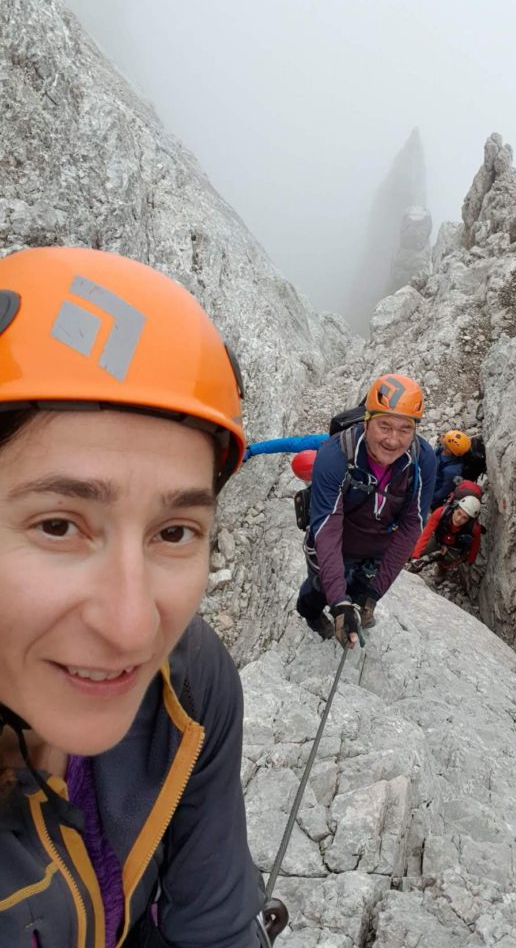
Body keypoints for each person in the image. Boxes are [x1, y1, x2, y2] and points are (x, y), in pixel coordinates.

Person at [0, 247, 264, 948]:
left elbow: (216, 925)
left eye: (175, 532)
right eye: (59, 525)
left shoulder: (191, 681)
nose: (131, 626)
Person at [295, 374, 436, 647]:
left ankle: (353, 601)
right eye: (384, 426)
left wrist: (374, 593)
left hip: (374, 553)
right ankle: (309, 612)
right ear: (367, 420)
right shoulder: (336, 454)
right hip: (334, 543)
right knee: (320, 589)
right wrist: (338, 602)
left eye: (405, 429)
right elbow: (327, 526)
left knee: (359, 590)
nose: (393, 440)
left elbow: (412, 524)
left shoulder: (422, 459)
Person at [410, 495, 482, 575]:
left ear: (469, 520)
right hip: (438, 539)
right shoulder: (441, 513)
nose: (458, 519)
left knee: (449, 559)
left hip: (454, 547)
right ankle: (412, 561)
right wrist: (415, 556)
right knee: (421, 549)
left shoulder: (474, 528)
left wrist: (469, 560)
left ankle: (442, 568)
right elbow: (426, 534)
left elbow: (475, 546)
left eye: (464, 518)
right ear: (455, 509)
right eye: (458, 513)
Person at [431, 429, 472, 509]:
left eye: (445, 438)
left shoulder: (452, 471)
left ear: (449, 450)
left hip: (432, 493)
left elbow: (443, 492)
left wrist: (430, 497)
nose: (443, 436)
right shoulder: (442, 450)